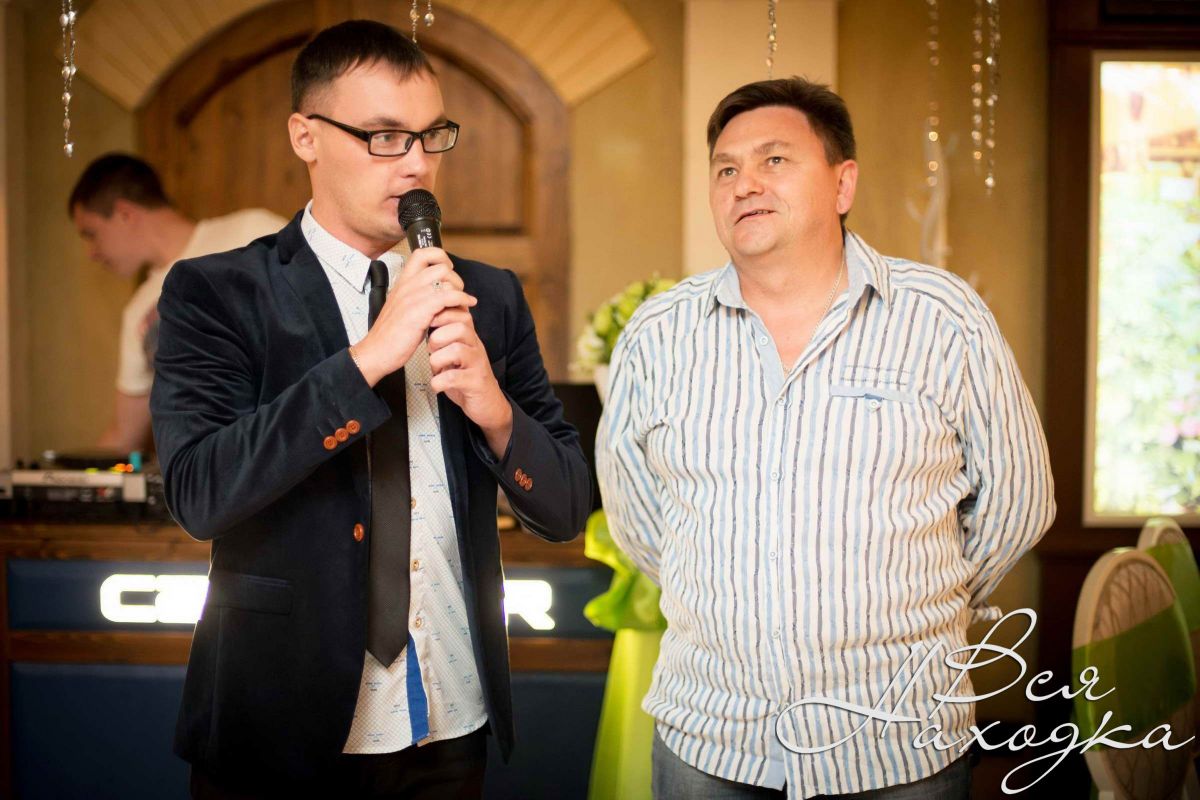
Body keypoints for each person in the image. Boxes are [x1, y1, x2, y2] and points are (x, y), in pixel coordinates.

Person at [150, 19, 591, 798]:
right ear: (306, 136)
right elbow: (200, 493)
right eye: (384, 137)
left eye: (431, 137)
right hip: (279, 731)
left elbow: (564, 510)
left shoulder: (489, 296)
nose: (417, 165)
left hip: (450, 721)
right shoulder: (217, 292)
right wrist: (369, 359)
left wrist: (494, 411)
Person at [597, 77, 1055, 799]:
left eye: (775, 160)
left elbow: (1018, 500)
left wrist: (921, 599)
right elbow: (638, 517)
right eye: (726, 168)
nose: (745, 183)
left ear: (843, 184)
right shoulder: (658, 335)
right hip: (711, 737)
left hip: (896, 737)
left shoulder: (941, 318)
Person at [69, 153, 284, 453]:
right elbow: (124, 435)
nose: (92, 253)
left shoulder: (252, 230)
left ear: (125, 213)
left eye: (91, 234)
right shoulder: (137, 313)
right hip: (213, 465)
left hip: (295, 442)